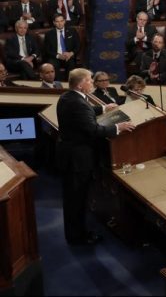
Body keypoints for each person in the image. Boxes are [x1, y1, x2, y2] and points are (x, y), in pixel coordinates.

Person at [57, 68, 135, 244]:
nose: (92, 82)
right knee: (76, 200)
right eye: (90, 80)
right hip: (77, 160)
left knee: (74, 199)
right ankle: (77, 237)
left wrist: (103, 107)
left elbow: (85, 111)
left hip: (70, 156)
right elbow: (93, 130)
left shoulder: (68, 97)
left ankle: (76, 233)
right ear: (81, 84)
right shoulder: (77, 103)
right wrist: (118, 128)